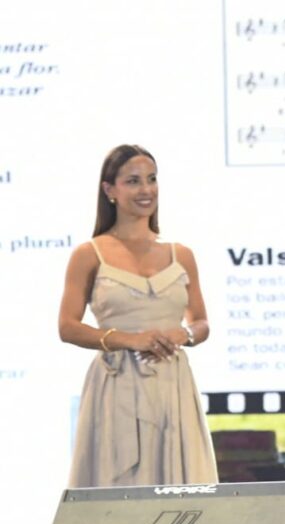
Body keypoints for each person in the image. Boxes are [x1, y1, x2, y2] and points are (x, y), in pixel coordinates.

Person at [58, 144, 217, 487]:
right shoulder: (89, 254)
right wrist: (129, 340)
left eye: (152, 179)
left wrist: (184, 334)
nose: (146, 189)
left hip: (172, 385)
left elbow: (201, 322)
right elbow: (67, 326)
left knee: (180, 489)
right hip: (117, 385)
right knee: (118, 487)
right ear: (109, 190)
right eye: (133, 181)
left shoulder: (181, 254)